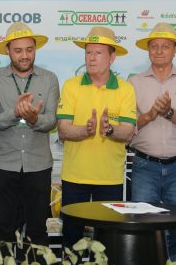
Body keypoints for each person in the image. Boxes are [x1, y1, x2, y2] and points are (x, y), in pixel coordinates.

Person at [56, 26, 136, 250]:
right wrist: (86, 130)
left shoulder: (126, 89)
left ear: (112, 57)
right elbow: (63, 129)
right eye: (88, 52)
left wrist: (109, 130)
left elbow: (128, 132)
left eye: (98, 53)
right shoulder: (71, 86)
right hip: (75, 177)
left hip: (109, 180)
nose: (91, 58)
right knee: (72, 241)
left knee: (108, 244)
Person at [128, 23, 176, 261]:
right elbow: (129, 127)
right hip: (143, 166)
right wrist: (149, 115)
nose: (159, 51)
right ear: (148, 50)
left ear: (175, 50)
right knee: (143, 227)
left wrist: (169, 113)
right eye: (154, 46)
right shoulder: (134, 82)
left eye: (165, 46)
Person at [0, 22, 59, 248]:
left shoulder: (49, 79)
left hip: (38, 165)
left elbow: (52, 120)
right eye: (18, 50)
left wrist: (35, 119)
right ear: (8, 50)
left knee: (37, 230)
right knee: (3, 229)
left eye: (29, 49)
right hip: (3, 164)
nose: (24, 55)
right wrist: (14, 113)